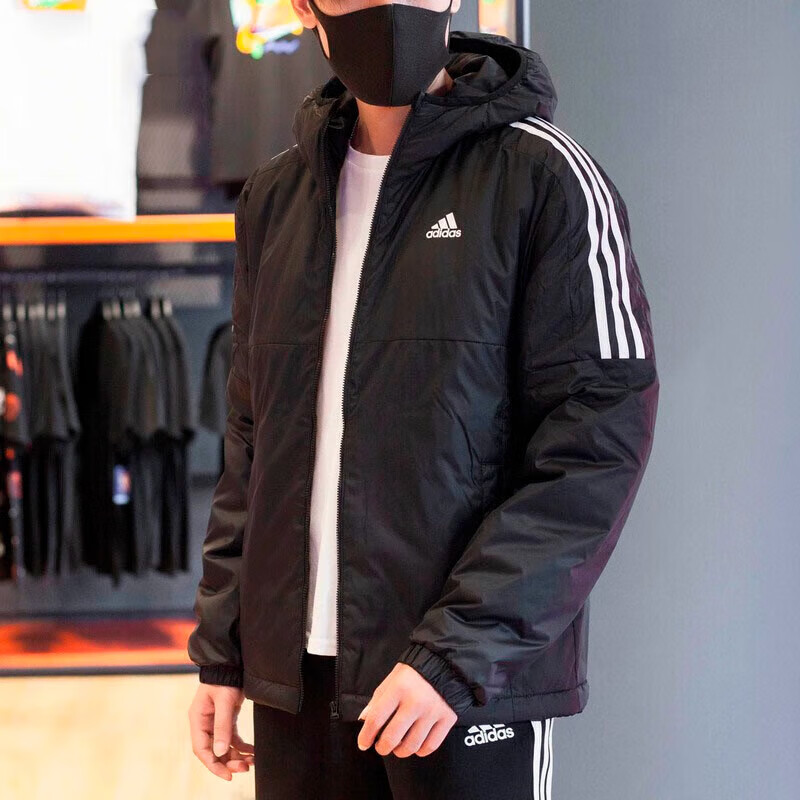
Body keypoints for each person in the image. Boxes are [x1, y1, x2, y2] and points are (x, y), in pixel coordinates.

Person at [187, 1, 660, 798]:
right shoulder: (276, 197)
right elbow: (251, 440)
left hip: (460, 688)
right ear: (303, 8)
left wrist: (457, 652)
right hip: (296, 680)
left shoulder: (544, 177)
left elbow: (598, 438)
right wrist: (226, 649)